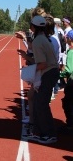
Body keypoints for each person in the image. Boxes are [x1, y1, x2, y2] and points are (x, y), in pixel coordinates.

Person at [23, 15, 59, 144]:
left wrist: (29, 72)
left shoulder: (38, 41)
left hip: (48, 73)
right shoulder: (43, 38)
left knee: (41, 104)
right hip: (51, 72)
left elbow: (43, 64)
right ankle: (44, 132)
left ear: (33, 27)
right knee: (40, 103)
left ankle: (48, 134)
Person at [59, 30, 73, 134]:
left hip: (72, 82)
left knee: (68, 103)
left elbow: (69, 69)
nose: (65, 38)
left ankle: (70, 125)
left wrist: (59, 74)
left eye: (67, 37)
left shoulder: (71, 52)